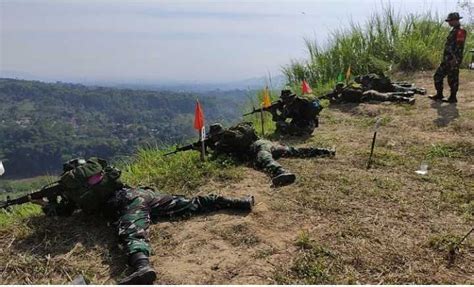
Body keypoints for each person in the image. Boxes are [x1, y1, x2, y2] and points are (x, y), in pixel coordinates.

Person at [38, 157, 255, 285]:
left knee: (132, 230)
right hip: (139, 194)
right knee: (188, 203)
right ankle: (236, 202)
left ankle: (142, 266)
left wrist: (48, 205)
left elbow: (63, 212)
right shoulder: (99, 167)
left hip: (124, 204)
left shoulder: (74, 189)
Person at [184, 122, 335, 187]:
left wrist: (202, 151)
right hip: (267, 143)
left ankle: (281, 172)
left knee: (265, 159)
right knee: (293, 151)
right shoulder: (232, 133)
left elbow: (213, 159)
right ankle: (325, 151)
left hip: (258, 148)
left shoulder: (223, 142)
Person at [430, 12, 467, 103]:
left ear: (455, 20)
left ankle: (452, 97)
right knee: (438, 75)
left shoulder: (460, 31)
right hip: (447, 59)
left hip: (453, 60)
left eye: (450, 21)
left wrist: (455, 59)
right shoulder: (454, 30)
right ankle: (439, 95)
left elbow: (459, 47)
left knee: (452, 78)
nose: (448, 23)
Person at [323, 82, 416, 105]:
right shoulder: (349, 88)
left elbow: (336, 102)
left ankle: (407, 98)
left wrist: (331, 99)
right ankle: (408, 94)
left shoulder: (344, 95)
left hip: (369, 96)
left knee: (388, 97)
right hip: (369, 93)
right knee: (388, 95)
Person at [354, 73, 426, 95]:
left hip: (385, 86)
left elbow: (373, 84)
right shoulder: (369, 76)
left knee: (402, 89)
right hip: (386, 84)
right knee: (402, 88)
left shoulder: (367, 79)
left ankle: (420, 90)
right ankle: (419, 90)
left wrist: (369, 87)